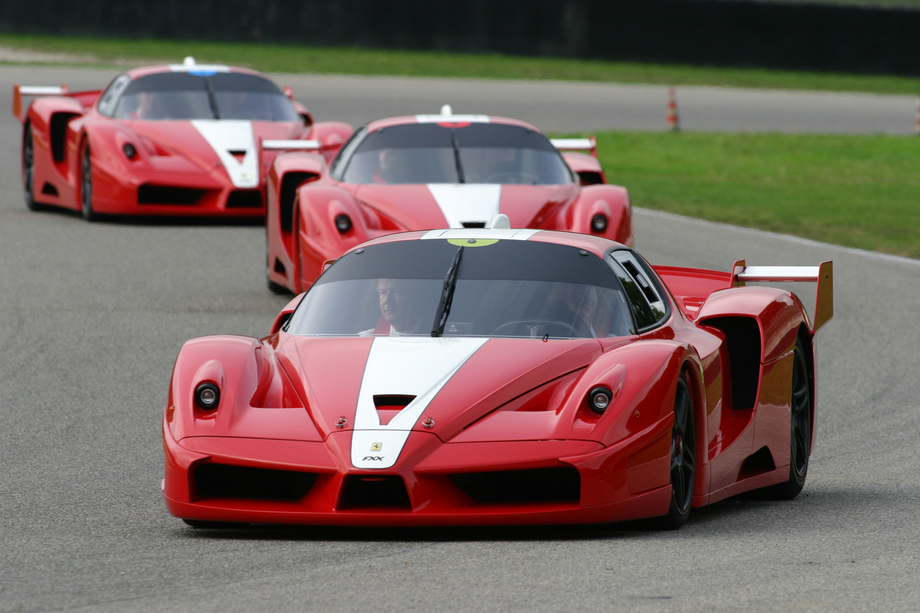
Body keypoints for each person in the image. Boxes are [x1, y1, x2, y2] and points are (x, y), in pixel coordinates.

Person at [360, 278, 430, 335]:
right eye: (383, 292)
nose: (387, 300)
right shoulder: (365, 340)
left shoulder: (436, 335)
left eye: (396, 291)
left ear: (413, 295)